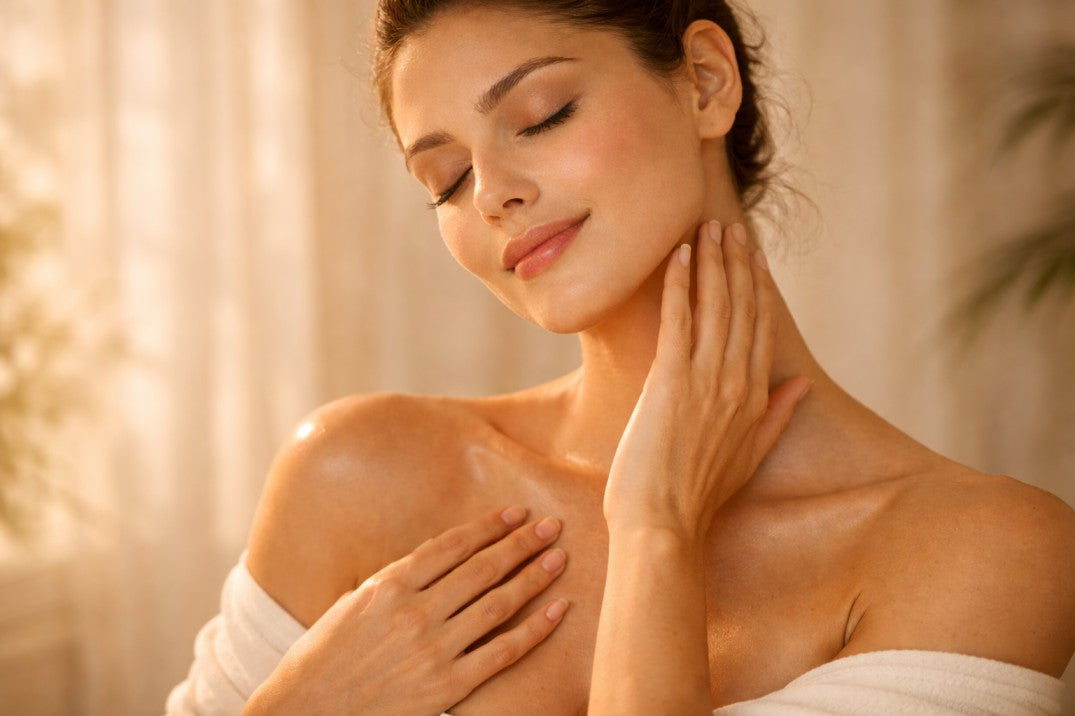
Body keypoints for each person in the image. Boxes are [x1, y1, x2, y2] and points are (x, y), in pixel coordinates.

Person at [167, 1, 1075, 714]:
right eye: (443, 178)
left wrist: (656, 530)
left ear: (707, 83)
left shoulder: (985, 555)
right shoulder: (359, 474)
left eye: (543, 114)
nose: (490, 196)